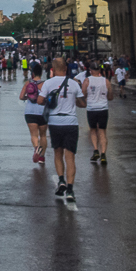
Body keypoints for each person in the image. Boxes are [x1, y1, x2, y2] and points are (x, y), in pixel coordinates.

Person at [37, 57, 85, 203]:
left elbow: (39, 101)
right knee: (70, 156)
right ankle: (70, 190)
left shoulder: (48, 83)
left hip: (55, 122)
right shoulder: (74, 84)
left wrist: (50, 100)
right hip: (70, 123)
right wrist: (72, 99)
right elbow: (83, 104)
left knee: (58, 153)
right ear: (66, 69)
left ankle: (61, 180)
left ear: (52, 69)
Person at [83, 61, 113, 165]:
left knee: (93, 130)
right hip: (103, 108)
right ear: (99, 70)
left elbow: (83, 94)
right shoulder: (106, 81)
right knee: (102, 131)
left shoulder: (87, 81)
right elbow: (110, 97)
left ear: (90, 71)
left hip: (91, 109)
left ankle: (96, 150)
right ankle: (103, 154)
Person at [20, 61, 47, 164]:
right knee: (43, 135)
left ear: (33, 73)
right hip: (42, 112)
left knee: (34, 135)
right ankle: (42, 157)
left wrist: (28, 97)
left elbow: (21, 97)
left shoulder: (28, 83)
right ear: (41, 73)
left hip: (30, 112)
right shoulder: (45, 84)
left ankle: (36, 148)